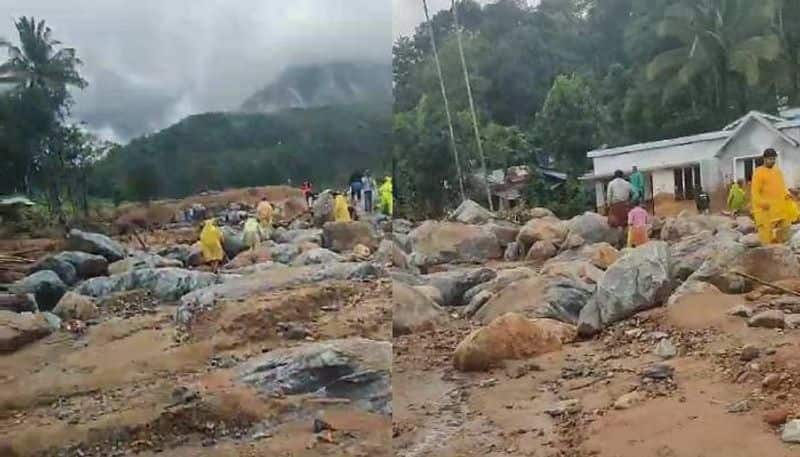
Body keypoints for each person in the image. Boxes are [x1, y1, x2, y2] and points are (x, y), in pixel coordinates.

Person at [752, 148, 800, 244]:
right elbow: (754, 192)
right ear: (764, 159)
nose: (772, 161)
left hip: (780, 209)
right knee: (766, 237)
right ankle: (767, 254)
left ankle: (781, 252)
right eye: (770, 159)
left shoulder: (778, 172)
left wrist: (787, 195)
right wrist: (762, 203)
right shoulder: (759, 173)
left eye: (774, 159)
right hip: (765, 210)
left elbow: (782, 187)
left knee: (785, 232)